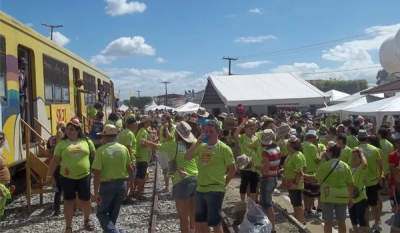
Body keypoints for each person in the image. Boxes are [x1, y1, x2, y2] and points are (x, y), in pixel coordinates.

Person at [184, 120, 237, 233]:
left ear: (219, 132)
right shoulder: (201, 146)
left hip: (215, 189)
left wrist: (223, 183)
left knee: (214, 222)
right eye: (206, 131)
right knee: (201, 222)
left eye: (211, 131)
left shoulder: (224, 148)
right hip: (201, 188)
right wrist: (197, 143)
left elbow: (233, 169)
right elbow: (187, 157)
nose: (208, 133)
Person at [45, 118, 96, 233]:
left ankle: (87, 219)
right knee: (68, 201)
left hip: (84, 175)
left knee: (86, 199)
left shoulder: (86, 141)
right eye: (67, 129)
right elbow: (54, 161)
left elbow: (95, 155)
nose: (68, 131)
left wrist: (100, 170)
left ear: (78, 130)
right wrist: (48, 176)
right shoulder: (62, 143)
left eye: (71, 129)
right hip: (67, 177)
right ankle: (68, 226)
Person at [147, 121, 198, 233]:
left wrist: (145, 142)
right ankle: (193, 230)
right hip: (195, 177)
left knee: (183, 215)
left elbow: (156, 147)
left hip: (182, 180)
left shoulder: (173, 145)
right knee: (193, 211)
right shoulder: (194, 142)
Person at [300, 144, 354, 233]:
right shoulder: (345, 166)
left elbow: (315, 179)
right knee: (341, 221)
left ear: (331, 153)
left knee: (328, 222)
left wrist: (303, 175)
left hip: (328, 195)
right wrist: (351, 198)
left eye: (327, 151)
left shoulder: (325, 165)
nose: (326, 153)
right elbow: (351, 184)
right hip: (343, 196)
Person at [92, 124, 133, 233]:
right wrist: (130, 185)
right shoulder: (124, 149)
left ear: (104, 137)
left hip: (107, 185)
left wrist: (95, 191)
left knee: (101, 213)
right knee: (113, 213)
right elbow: (130, 169)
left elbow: (97, 173)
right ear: (115, 135)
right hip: (122, 184)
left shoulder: (101, 151)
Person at [253, 129, 281, 233]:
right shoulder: (277, 149)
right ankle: (269, 226)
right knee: (265, 203)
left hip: (266, 178)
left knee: (267, 205)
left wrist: (254, 165)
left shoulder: (266, 152)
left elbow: (265, 169)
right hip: (274, 177)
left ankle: (272, 228)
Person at [46, 121, 66, 216]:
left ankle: (57, 210)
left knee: (58, 188)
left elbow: (47, 153)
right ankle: (72, 209)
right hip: (65, 165)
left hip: (55, 166)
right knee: (69, 187)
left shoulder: (50, 139)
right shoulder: (66, 140)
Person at [349, 148, 368, 233]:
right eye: (353, 156)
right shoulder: (349, 168)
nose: (354, 158)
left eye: (356, 156)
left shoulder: (361, 168)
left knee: (361, 218)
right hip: (350, 197)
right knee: (352, 217)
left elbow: (365, 164)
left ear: (360, 159)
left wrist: (362, 153)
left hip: (360, 197)